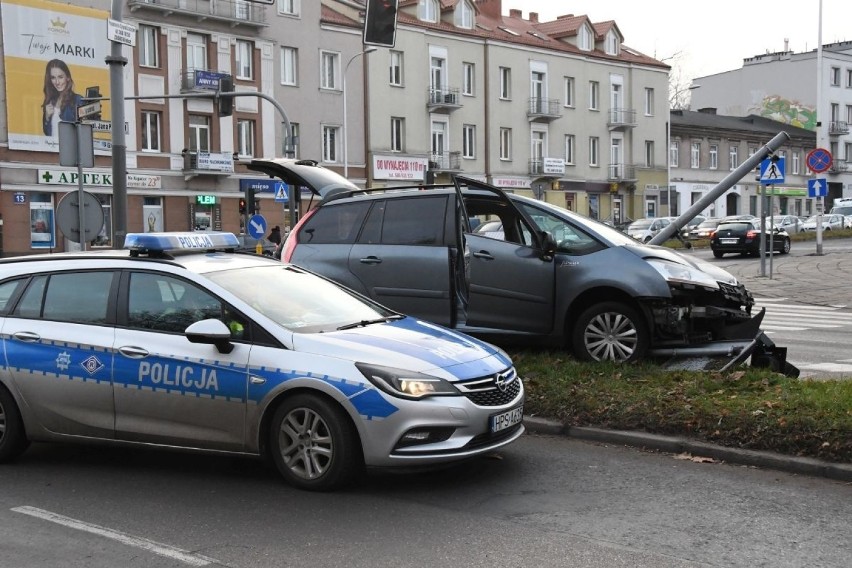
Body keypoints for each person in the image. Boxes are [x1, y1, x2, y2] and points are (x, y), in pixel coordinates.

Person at [42, 59, 83, 137]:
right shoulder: (50, 101)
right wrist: (47, 117)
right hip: (53, 148)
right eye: (53, 78)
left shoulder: (77, 100)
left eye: (60, 77)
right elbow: (47, 133)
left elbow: (83, 131)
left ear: (67, 77)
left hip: (69, 148)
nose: (57, 82)